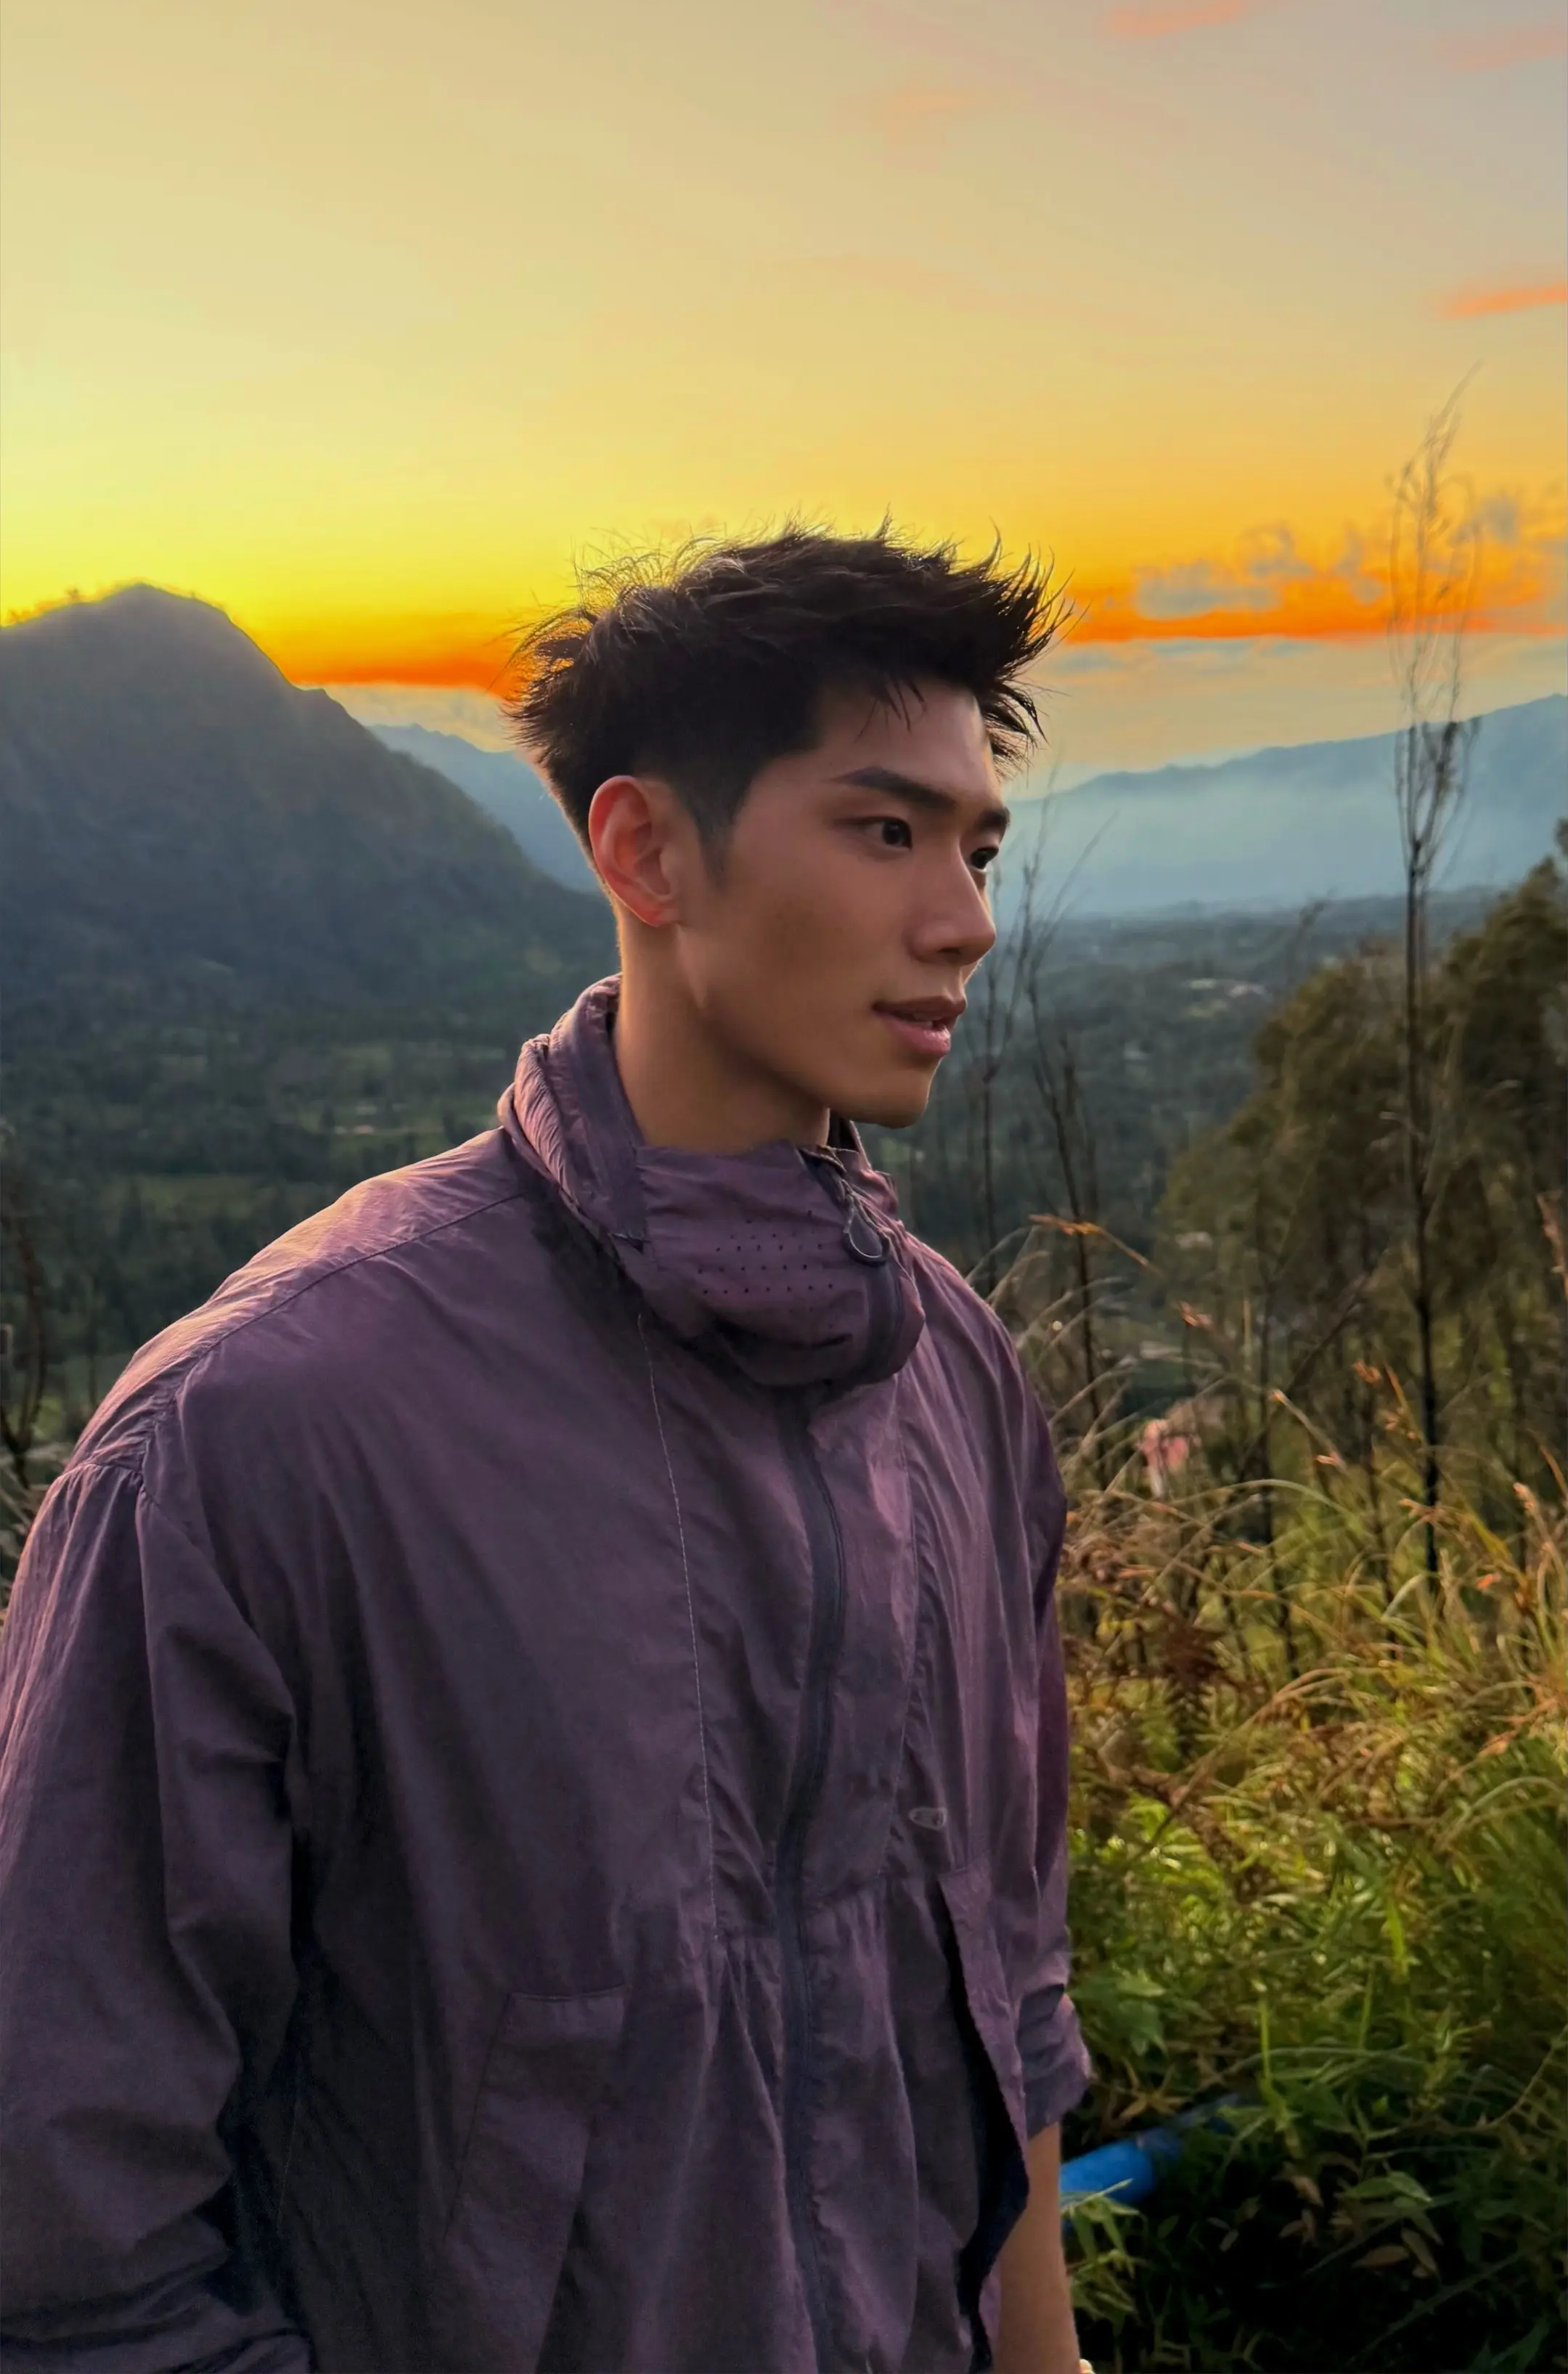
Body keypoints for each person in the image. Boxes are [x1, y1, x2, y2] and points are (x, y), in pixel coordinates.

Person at [0, 526, 1092, 2374]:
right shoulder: (260, 1439)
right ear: (645, 851)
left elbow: (1012, 2008)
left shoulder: (957, 1384)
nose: (966, 917)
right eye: (884, 830)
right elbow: (68, 2247)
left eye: (977, 849)